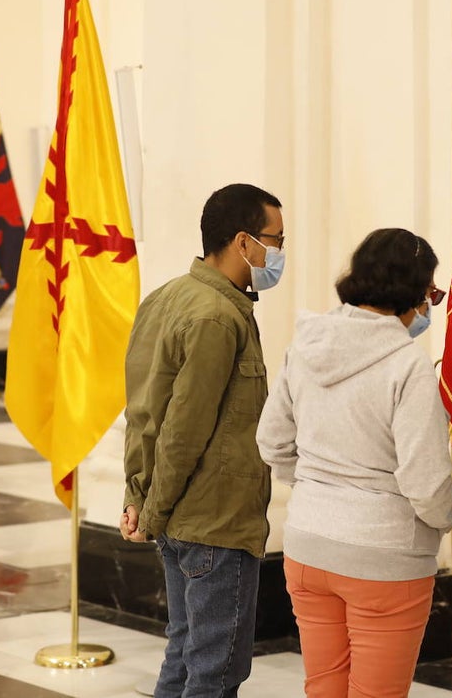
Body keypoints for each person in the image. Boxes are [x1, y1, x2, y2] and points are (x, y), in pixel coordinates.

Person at [257, 228, 452, 698]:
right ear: (413, 291)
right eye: (431, 292)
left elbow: (271, 440)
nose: (431, 305)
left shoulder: (305, 345)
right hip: (384, 553)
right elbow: (425, 482)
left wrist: (312, 487)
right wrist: (444, 522)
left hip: (307, 545)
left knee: (324, 689)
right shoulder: (407, 365)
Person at [121, 182, 285, 698]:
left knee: (186, 651)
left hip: (178, 514)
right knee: (215, 671)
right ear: (243, 242)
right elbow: (182, 428)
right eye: (275, 240)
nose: (280, 253)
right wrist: (152, 509)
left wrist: (140, 496)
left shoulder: (168, 296)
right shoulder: (217, 315)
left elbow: (142, 412)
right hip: (213, 521)